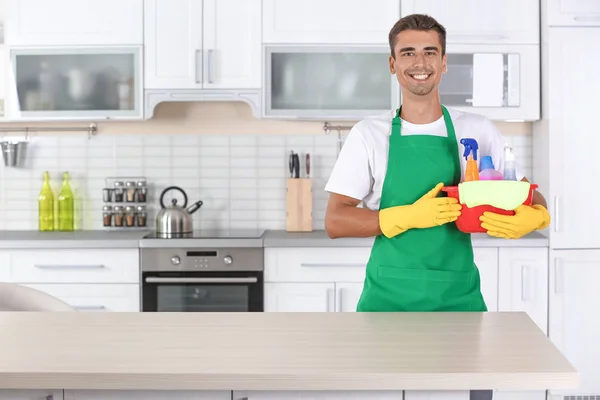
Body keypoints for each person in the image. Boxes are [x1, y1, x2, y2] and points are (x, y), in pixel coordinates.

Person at [323, 14, 551, 400]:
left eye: (430, 52)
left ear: (444, 63)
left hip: (458, 299)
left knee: (470, 392)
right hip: (387, 302)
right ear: (393, 64)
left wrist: (536, 214)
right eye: (407, 52)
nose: (420, 62)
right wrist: (405, 216)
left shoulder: (478, 129)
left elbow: (528, 194)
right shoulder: (369, 134)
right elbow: (335, 220)